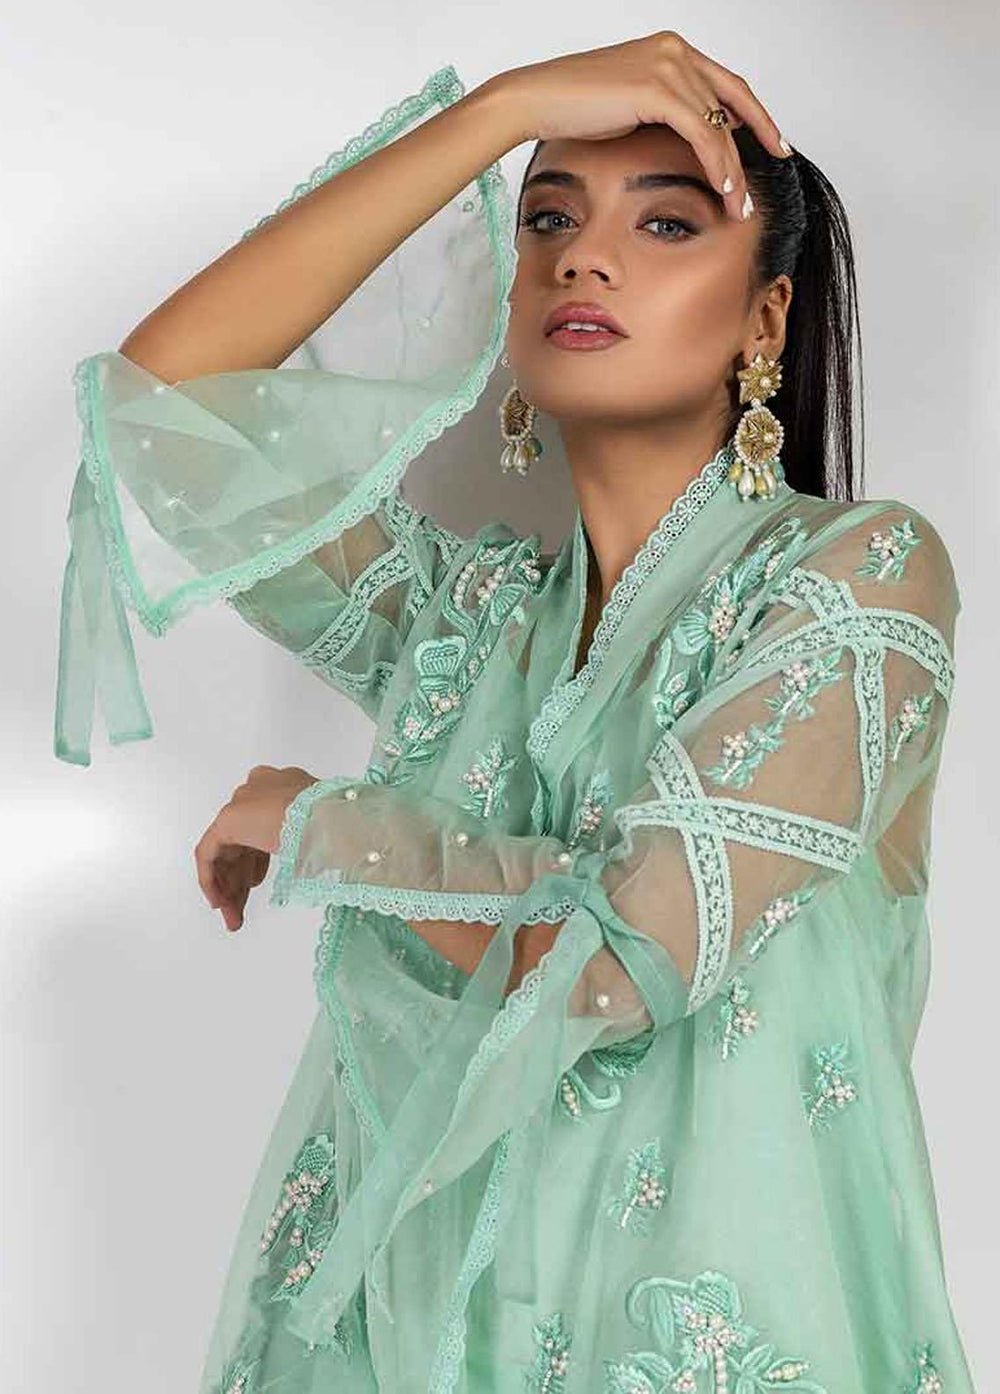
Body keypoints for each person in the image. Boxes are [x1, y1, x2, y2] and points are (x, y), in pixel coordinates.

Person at [53, 31, 976, 1394]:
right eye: (547, 219)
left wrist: (325, 826)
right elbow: (165, 408)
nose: (581, 259)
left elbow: (625, 952)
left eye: (665, 222)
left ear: (766, 320)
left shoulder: (860, 579)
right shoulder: (463, 621)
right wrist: (501, 111)